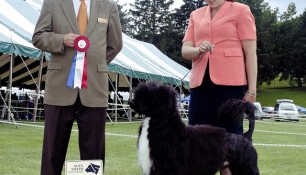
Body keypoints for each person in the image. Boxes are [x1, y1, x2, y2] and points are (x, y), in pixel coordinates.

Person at [32, 0, 122, 174]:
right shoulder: (52, 2)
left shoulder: (109, 6)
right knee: (52, 153)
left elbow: (115, 45)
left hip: (94, 89)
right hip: (59, 87)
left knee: (94, 155)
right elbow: (38, 36)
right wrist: (61, 39)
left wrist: (94, 65)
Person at [181, 0, 257, 174]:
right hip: (200, 88)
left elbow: (250, 53)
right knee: (197, 146)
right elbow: (185, 51)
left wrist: (251, 90)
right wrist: (198, 49)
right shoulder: (196, 15)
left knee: (230, 149)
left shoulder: (241, 11)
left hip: (231, 88)